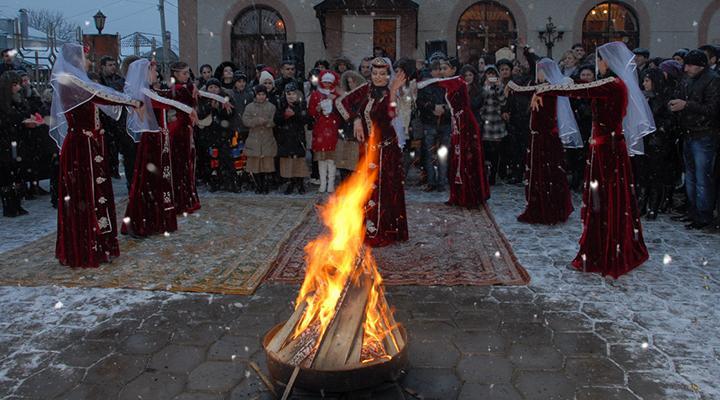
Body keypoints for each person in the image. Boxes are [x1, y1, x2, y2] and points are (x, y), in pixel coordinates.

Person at [532, 41, 653, 278]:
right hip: (606, 148)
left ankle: (605, 250)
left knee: (605, 200)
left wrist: (547, 89)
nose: (598, 65)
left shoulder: (612, 84)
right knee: (609, 199)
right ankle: (611, 245)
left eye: (599, 60)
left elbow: (580, 92)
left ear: (607, 61)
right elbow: (583, 89)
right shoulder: (614, 84)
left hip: (608, 150)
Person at [49, 43, 141, 268]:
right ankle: (86, 247)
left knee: (95, 194)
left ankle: (99, 244)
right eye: (85, 58)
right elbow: (100, 94)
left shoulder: (79, 81)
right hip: (81, 146)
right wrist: (131, 101)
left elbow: (100, 95)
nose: (89, 62)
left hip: (91, 145)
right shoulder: (70, 80)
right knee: (86, 195)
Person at [337, 57, 408, 247]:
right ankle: (365, 228)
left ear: (388, 75)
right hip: (366, 150)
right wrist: (356, 119)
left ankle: (383, 230)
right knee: (365, 188)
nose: (378, 77)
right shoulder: (366, 89)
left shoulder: (392, 92)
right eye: (375, 73)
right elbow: (343, 103)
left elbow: (390, 115)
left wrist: (392, 92)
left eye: (382, 74)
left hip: (386, 150)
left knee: (383, 190)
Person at [122, 59, 195, 237]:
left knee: (160, 180)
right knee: (148, 181)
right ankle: (140, 222)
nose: (157, 74)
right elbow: (167, 102)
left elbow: (170, 97)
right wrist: (188, 109)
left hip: (161, 139)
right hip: (152, 141)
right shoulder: (144, 92)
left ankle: (156, 220)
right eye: (154, 71)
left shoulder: (153, 90)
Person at [508, 58, 578, 224]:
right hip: (538, 137)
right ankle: (541, 205)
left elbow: (523, 91)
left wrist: (511, 85)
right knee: (539, 173)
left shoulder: (549, 90)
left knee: (547, 174)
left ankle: (548, 208)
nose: (537, 74)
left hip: (545, 139)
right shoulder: (542, 89)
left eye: (540, 71)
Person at [417, 67, 490, 208]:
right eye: (441, 68)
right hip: (457, 122)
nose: (442, 71)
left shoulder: (457, 82)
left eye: (445, 68)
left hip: (466, 122)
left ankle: (470, 195)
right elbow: (424, 84)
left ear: (453, 69)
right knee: (457, 158)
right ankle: (459, 194)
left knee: (466, 157)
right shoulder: (450, 82)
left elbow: (424, 84)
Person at [668, 50, 720, 230]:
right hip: (688, 132)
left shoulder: (713, 80)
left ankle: (704, 214)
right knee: (690, 176)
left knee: (702, 177)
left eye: (690, 65)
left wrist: (686, 105)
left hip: (704, 133)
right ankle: (693, 211)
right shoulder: (687, 78)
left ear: (700, 66)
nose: (686, 68)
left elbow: (713, 108)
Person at [640, 67, 677, 220]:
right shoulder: (644, 98)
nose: (644, 84)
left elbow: (669, 121)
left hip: (658, 142)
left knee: (656, 175)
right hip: (645, 141)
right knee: (644, 174)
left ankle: (653, 206)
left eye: (647, 81)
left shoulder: (664, 98)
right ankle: (643, 203)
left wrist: (659, 130)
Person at [0, 71, 39, 217]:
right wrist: (20, 121)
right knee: (7, 177)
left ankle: (17, 204)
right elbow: (6, 121)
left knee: (17, 175)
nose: (17, 88)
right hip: (6, 144)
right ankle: (10, 206)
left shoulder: (19, 100)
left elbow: (24, 112)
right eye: (14, 85)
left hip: (19, 142)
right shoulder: (3, 102)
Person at [168, 61, 201, 214]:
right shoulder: (179, 89)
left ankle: (185, 198)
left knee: (186, 164)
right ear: (175, 74)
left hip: (185, 128)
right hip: (179, 130)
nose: (187, 76)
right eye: (184, 73)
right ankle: (182, 200)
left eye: (188, 73)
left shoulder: (183, 88)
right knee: (181, 164)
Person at [415, 58, 451, 192]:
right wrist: (432, 107)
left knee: (443, 153)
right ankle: (431, 181)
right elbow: (420, 102)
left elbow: (454, 101)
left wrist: (444, 109)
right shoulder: (425, 85)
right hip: (429, 122)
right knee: (429, 154)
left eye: (440, 69)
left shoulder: (448, 84)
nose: (438, 72)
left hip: (445, 122)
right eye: (436, 69)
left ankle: (441, 182)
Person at [197, 78, 236, 192]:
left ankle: (228, 182)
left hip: (223, 135)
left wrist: (220, 108)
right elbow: (199, 114)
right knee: (210, 161)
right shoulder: (202, 99)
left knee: (226, 159)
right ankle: (213, 183)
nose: (213, 90)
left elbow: (230, 115)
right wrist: (210, 107)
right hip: (208, 136)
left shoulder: (226, 99)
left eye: (216, 87)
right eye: (211, 87)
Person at [308, 70, 341, 193]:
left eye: (329, 82)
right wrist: (317, 109)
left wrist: (335, 102)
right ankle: (323, 183)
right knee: (321, 158)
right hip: (320, 129)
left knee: (331, 158)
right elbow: (311, 112)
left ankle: (331, 183)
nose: (327, 84)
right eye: (325, 82)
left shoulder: (336, 94)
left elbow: (342, 112)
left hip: (332, 130)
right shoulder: (316, 95)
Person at [275, 82, 309, 194]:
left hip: (298, 138)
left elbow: (306, 120)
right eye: (288, 93)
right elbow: (276, 120)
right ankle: (290, 183)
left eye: (293, 93)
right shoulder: (281, 104)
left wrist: (295, 114)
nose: (291, 96)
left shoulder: (302, 105)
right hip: (285, 138)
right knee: (287, 163)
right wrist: (285, 116)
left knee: (299, 162)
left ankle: (300, 183)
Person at [242, 84, 277, 194]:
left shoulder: (271, 107)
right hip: (254, 139)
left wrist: (267, 122)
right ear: (255, 95)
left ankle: (265, 185)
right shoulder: (249, 107)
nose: (261, 97)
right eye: (259, 94)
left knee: (266, 165)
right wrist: (256, 121)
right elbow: (245, 121)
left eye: (263, 94)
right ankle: (258, 185)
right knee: (255, 165)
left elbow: (276, 120)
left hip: (267, 139)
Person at [479, 65, 508, 185]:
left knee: (496, 151)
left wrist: (498, 87)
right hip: (484, 122)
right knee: (485, 150)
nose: (491, 76)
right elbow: (480, 102)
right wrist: (486, 88)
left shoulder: (499, 87)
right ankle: (486, 172)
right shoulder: (481, 87)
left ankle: (493, 175)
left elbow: (503, 101)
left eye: (493, 74)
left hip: (496, 122)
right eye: (488, 74)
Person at [336, 70, 366, 181]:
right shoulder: (343, 98)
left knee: (356, 163)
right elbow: (340, 111)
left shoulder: (363, 97)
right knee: (343, 162)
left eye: (353, 81)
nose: (351, 84)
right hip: (344, 132)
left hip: (357, 134)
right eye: (348, 82)